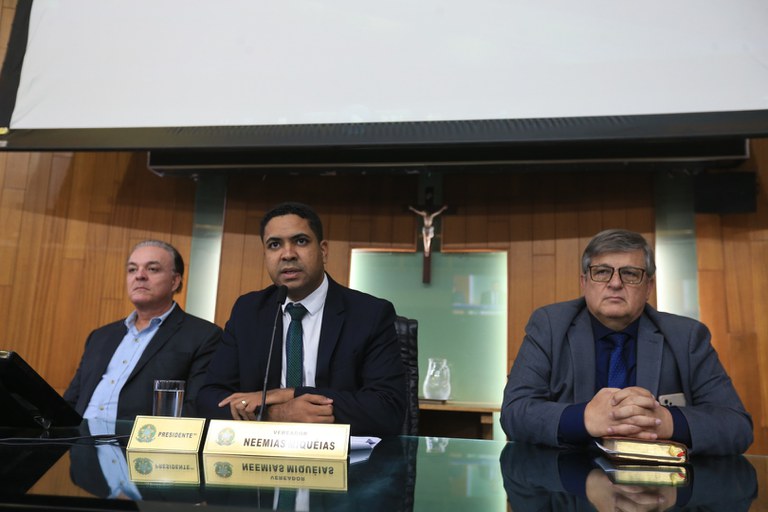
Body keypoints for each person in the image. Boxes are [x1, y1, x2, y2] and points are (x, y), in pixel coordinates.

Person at [500, 229, 753, 455]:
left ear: (649, 287)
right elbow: (515, 412)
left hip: (655, 486)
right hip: (565, 482)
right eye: (602, 272)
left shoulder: (687, 336)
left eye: (630, 274)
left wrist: (664, 421)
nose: (615, 283)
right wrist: (585, 417)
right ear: (584, 282)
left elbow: (736, 426)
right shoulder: (550, 326)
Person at [197, 202, 406, 436]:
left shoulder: (369, 314)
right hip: (263, 451)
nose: (288, 254)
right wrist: (277, 414)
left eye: (301, 241)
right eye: (274, 245)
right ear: (265, 255)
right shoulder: (248, 311)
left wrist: (289, 394)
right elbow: (208, 399)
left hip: (340, 453)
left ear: (323, 251)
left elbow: (388, 409)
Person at [64, 240, 223, 421]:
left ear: (174, 281)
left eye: (152, 269)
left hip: (139, 437)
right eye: (132, 269)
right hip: (81, 437)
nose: (139, 276)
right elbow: (72, 400)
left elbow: (195, 407)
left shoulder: (204, 336)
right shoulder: (100, 336)